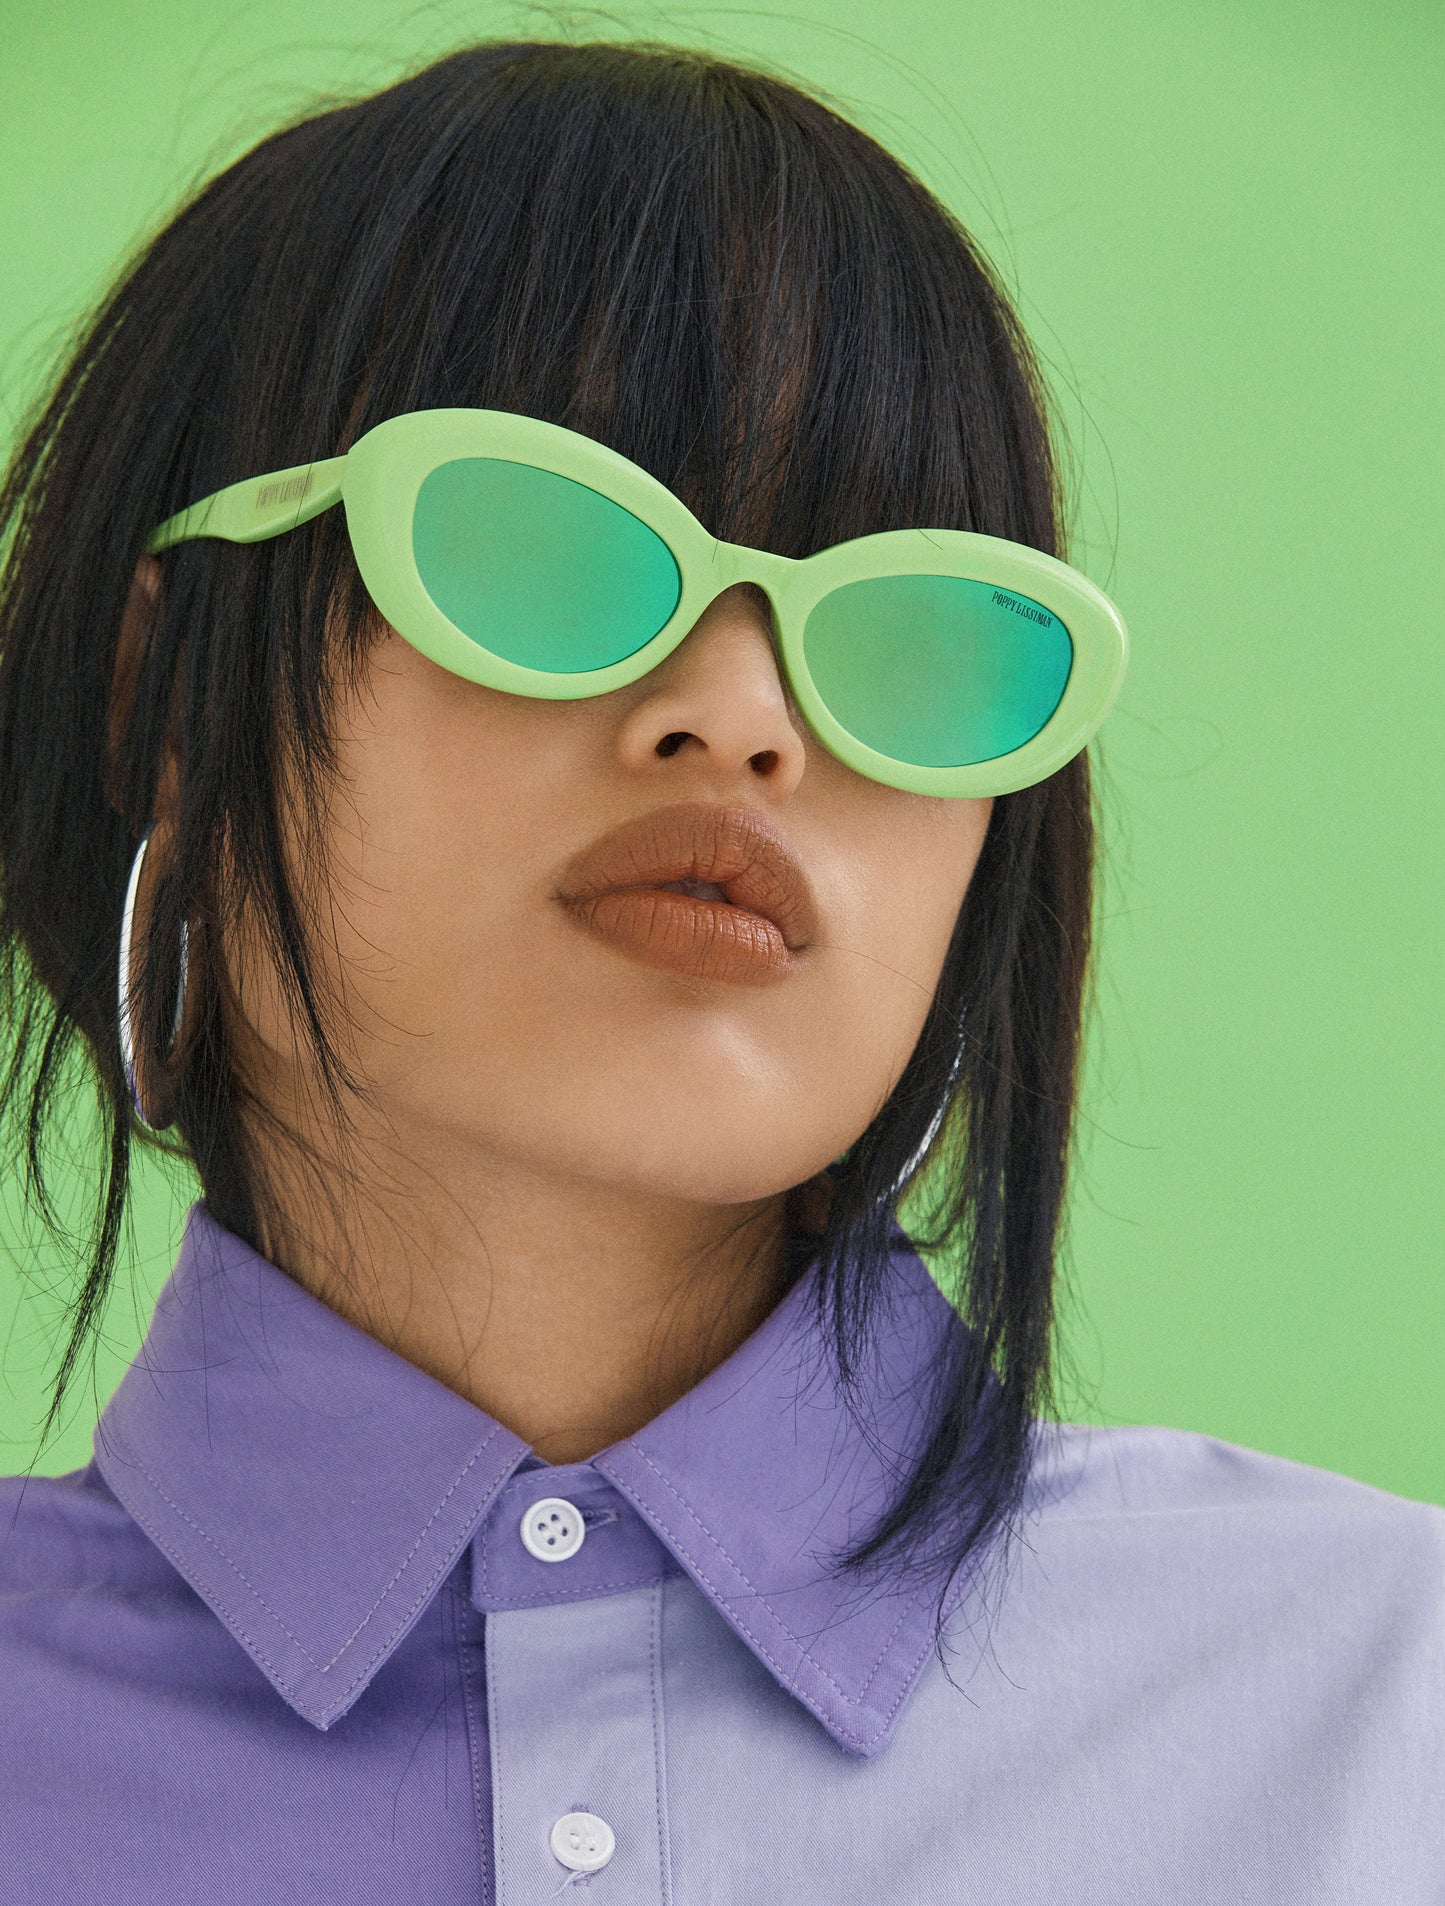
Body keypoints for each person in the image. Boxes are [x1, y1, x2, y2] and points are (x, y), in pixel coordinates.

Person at [0, 37, 1437, 1904]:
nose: (744, 715)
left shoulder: (1387, 1710)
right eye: (540, 546)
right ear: (163, 708)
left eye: (907, 632)